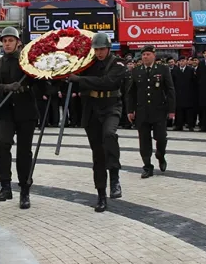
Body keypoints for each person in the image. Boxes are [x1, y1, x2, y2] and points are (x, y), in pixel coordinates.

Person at [68, 33, 127, 213]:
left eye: (102, 49)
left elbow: (107, 82)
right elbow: (74, 74)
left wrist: (81, 80)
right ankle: (101, 195)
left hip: (110, 107)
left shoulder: (118, 64)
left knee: (109, 135)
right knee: (98, 155)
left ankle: (115, 176)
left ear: (108, 49)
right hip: (92, 110)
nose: (99, 53)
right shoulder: (88, 64)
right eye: (97, 49)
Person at [0, 26, 41, 210]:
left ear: (18, 42)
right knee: (2, 145)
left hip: (26, 112)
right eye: (4, 41)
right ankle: (5, 186)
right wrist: (8, 87)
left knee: (24, 152)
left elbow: (40, 80)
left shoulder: (28, 62)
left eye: (10, 40)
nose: (7, 44)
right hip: (5, 112)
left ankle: (25, 190)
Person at [126, 45, 176, 179]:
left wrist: (171, 110)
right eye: (143, 55)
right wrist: (130, 110)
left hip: (159, 110)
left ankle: (160, 155)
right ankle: (147, 166)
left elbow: (170, 90)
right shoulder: (136, 71)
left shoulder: (162, 69)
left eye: (148, 54)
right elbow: (131, 92)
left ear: (154, 55)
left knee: (161, 137)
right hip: (142, 111)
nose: (145, 57)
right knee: (144, 140)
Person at [171, 56, 195, 131]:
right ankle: (179, 125)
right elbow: (172, 82)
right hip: (178, 94)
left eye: (183, 61)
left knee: (189, 111)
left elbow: (194, 82)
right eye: (180, 61)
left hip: (188, 93)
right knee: (179, 111)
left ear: (186, 61)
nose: (181, 62)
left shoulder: (190, 70)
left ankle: (190, 125)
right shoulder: (175, 70)